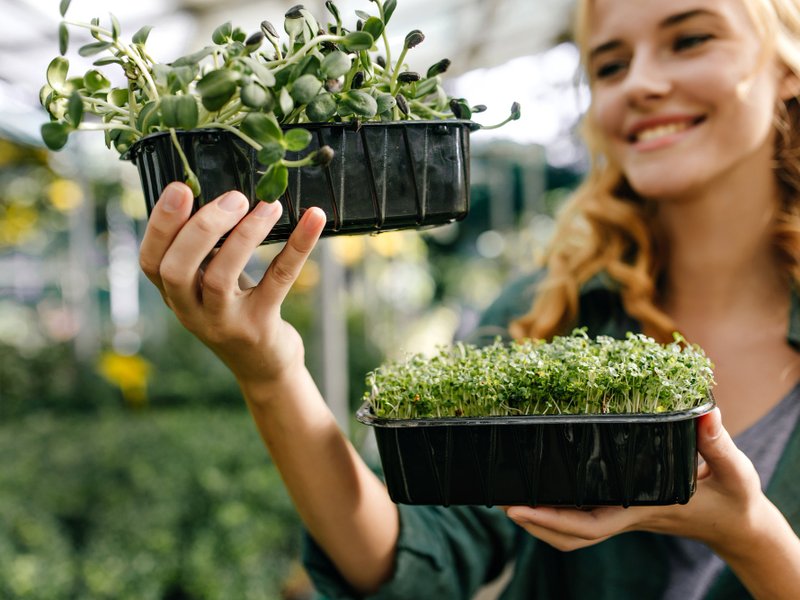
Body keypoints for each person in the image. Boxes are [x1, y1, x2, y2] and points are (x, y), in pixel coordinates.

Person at [138, 0, 800, 596]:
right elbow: (417, 560)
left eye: (690, 40)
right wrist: (270, 372)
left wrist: (753, 538)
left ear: (789, 68)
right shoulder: (546, 312)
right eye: (610, 64)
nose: (643, 83)